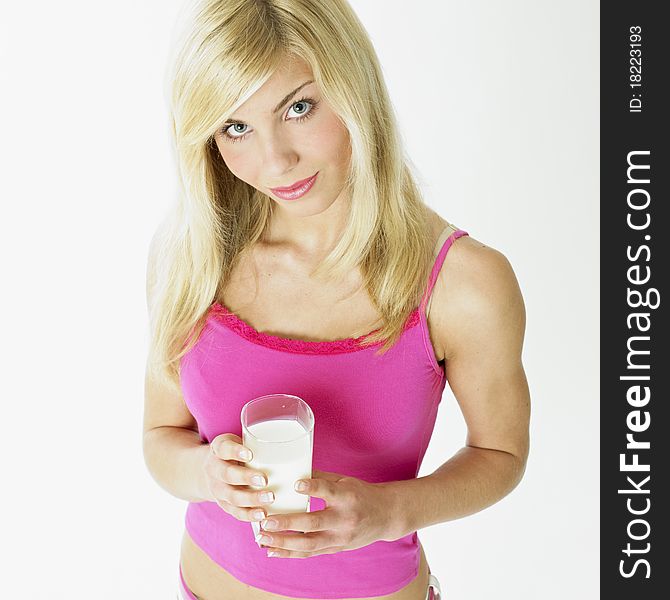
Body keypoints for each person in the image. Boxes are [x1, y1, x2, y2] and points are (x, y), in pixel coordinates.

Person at [142, 1, 531, 599]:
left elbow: (500, 453)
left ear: (353, 85)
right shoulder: (192, 260)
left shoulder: (462, 283)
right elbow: (160, 438)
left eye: (298, 108)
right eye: (235, 127)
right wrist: (207, 475)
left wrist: (388, 512)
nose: (275, 161)